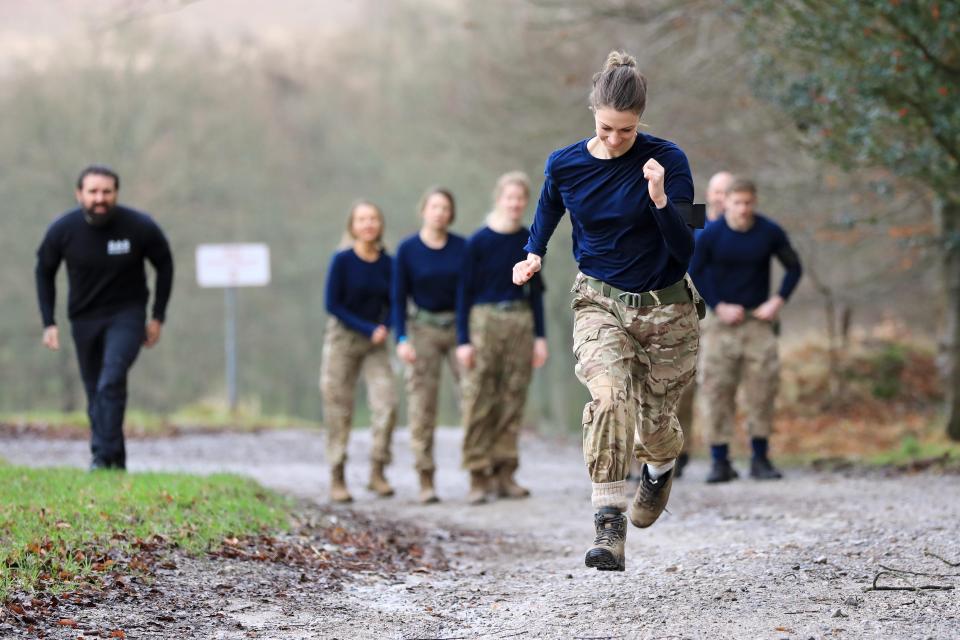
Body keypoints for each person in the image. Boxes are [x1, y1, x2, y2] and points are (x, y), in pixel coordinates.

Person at [513, 51, 701, 571]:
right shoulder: (565, 161)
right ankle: (608, 526)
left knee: (655, 425)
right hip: (599, 301)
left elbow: (687, 248)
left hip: (666, 312)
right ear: (592, 113)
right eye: (607, 128)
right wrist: (533, 252)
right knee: (608, 398)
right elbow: (550, 204)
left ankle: (660, 466)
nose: (617, 139)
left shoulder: (670, 160)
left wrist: (660, 198)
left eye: (627, 130)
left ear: (641, 120)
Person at [35, 165, 174, 471]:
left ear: (116, 194)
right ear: (79, 194)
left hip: (128, 316)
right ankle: (115, 460)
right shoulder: (63, 230)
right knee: (96, 389)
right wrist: (49, 322)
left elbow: (165, 263)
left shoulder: (138, 226)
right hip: (84, 319)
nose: (100, 198)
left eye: (107, 192)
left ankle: (101, 456)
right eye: (93, 191)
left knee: (111, 379)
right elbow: (44, 270)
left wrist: (157, 317)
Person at [688, 177, 802, 483]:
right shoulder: (710, 233)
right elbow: (694, 270)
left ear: (755, 202)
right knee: (716, 389)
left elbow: (794, 267)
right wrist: (717, 304)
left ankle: (760, 458)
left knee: (761, 389)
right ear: (726, 203)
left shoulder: (769, 232)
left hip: (758, 322)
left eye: (748, 203)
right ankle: (719, 460)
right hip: (720, 324)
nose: (743, 209)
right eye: (737, 203)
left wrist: (777, 301)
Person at [457, 171, 549, 505]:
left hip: (520, 320)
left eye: (520, 199)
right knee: (480, 397)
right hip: (484, 320)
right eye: (510, 198)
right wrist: (463, 340)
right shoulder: (478, 241)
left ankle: (505, 471)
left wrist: (540, 337)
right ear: (499, 199)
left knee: (513, 397)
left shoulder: (529, 241)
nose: (515, 204)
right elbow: (463, 293)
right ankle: (478, 474)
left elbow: (537, 293)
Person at [320, 200, 397, 503]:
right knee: (338, 407)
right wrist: (367, 327)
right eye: (362, 219)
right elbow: (332, 304)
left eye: (373, 219)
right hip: (343, 339)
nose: (368, 224)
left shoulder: (388, 263)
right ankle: (337, 475)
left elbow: (395, 300)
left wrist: (385, 326)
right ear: (352, 226)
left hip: (376, 344)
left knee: (387, 404)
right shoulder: (341, 260)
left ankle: (378, 471)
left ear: (380, 225)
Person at [393, 187, 466, 503]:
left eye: (445, 208)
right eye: (434, 207)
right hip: (421, 328)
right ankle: (426, 478)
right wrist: (401, 338)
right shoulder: (407, 250)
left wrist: (466, 339)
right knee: (422, 403)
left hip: (458, 328)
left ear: (451, 213)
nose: (440, 212)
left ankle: (480, 472)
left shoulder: (462, 247)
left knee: (473, 396)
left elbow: (468, 293)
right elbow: (397, 297)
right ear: (424, 210)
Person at [674, 170, 733, 477]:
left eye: (728, 192)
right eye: (718, 191)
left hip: (719, 316)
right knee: (680, 386)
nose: (722, 198)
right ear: (709, 194)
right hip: (683, 311)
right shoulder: (691, 218)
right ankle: (677, 454)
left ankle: (718, 455)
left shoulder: (738, 229)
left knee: (714, 385)